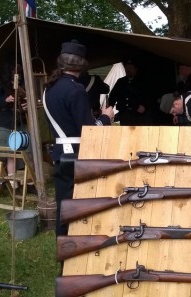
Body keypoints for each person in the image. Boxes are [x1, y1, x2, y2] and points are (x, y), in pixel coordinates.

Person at [42, 40, 114, 236]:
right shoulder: (76, 90)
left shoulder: (49, 88)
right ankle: (69, 247)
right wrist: (106, 117)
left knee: (65, 206)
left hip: (61, 154)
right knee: (76, 207)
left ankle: (65, 245)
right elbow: (89, 130)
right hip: (76, 156)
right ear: (82, 66)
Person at [0, 60, 29, 176]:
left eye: (19, 67)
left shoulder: (25, 82)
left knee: (26, 152)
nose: (17, 69)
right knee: (10, 154)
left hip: (22, 120)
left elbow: (32, 98)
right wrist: (5, 100)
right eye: (14, 68)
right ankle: (12, 182)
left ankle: (28, 182)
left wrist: (27, 104)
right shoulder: (0, 82)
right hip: (6, 120)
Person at [107, 59, 152, 125]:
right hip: (125, 115)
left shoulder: (143, 82)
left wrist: (145, 106)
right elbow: (113, 96)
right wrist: (109, 108)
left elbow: (150, 96)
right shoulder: (121, 82)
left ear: (135, 69)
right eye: (126, 67)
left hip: (139, 115)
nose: (128, 70)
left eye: (130, 67)